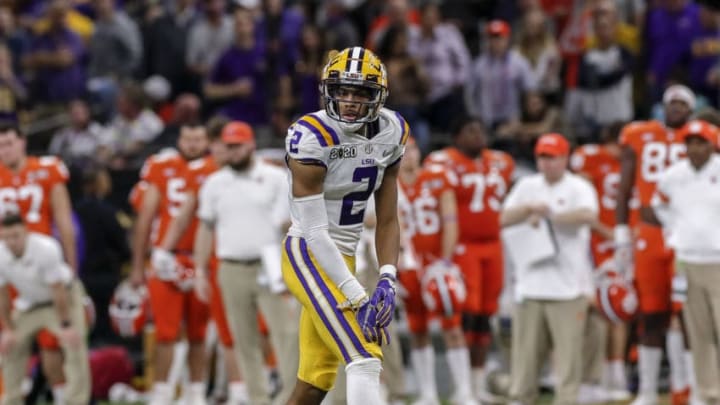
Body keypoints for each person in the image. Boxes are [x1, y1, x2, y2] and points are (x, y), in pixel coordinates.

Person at [282, 46, 404, 405]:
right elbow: (317, 232)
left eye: (361, 92)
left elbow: (388, 218)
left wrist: (387, 276)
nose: (349, 101)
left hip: (346, 255)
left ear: (378, 96)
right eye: (342, 91)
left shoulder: (394, 130)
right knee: (365, 355)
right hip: (308, 251)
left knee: (315, 381)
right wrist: (358, 296)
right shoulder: (311, 135)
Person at [193, 121, 300, 405]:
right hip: (231, 266)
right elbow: (205, 227)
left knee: (286, 334)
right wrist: (200, 271)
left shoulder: (275, 177)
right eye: (227, 146)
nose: (232, 151)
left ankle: (290, 397)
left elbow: (291, 221)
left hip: (271, 264)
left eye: (237, 145)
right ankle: (258, 398)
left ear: (250, 144)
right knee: (243, 338)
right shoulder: (215, 183)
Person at [501, 133, 598, 405]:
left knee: (568, 362)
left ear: (565, 158)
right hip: (530, 285)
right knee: (525, 360)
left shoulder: (578, 187)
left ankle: (567, 400)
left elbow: (588, 216)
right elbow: (504, 217)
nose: (547, 163)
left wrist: (551, 215)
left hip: (568, 289)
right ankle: (521, 398)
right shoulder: (527, 186)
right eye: (542, 157)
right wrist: (529, 209)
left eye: (552, 157)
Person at [615, 84, 695, 405]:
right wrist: (621, 233)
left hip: (685, 234)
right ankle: (647, 391)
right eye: (671, 102)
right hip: (648, 233)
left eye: (682, 103)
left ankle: (683, 387)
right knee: (651, 313)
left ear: (691, 109)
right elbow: (624, 188)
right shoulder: (639, 134)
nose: (675, 108)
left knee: (684, 314)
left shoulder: (702, 138)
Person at [425, 115, 514, 399]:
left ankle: (477, 386)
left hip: (493, 245)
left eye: (480, 130)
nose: (478, 136)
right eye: (470, 131)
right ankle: (462, 388)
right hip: (463, 247)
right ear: (456, 137)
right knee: (468, 315)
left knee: (485, 316)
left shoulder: (500, 161)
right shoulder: (442, 162)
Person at [130, 123, 211, 405]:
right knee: (166, 332)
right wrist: (139, 265)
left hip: (201, 256)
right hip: (168, 256)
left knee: (199, 332)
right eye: (187, 138)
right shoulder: (160, 166)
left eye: (197, 138)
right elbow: (145, 217)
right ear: (179, 139)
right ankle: (161, 393)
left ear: (207, 140)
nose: (191, 144)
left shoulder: (214, 167)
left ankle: (196, 393)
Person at [0, 123, 77, 403]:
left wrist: (72, 267)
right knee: (7, 343)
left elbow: (64, 222)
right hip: (7, 268)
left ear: (22, 142)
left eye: (9, 142)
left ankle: (60, 396)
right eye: (0, 144)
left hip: (43, 266)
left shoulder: (46, 169)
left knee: (52, 343)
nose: (4, 150)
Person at [398, 138, 476, 404]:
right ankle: (427, 393)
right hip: (408, 264)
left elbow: (450, 219)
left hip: (436, 262)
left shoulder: (437, 177)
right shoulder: (387, 183)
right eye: (403, 151)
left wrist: (445, 261)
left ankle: (464, 392)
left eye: (413, 150)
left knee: (452, 324)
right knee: (417, 328)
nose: (409, 156)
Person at [652, 119, 720, 405]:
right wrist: (675, 231)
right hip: (687, 260)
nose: (694, 148)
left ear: (712, 143)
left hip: (718, 261)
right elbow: (658, 203)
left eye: (700, 142)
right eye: (690, 142)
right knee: (698, 332)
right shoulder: (673, 175)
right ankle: (708, 393)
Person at [570, 121, 637, 401]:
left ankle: (616, 371)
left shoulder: (636, 159)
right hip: (596, 243)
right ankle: (591, 376)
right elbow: (580, 202)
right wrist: (607, 231)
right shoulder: (590, 158)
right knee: (598, 308)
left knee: (621, 306)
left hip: (625, 242)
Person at [0, 214, 90, 405]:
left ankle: (76, 401)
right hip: (31, 303)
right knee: (9, 345)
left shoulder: (45, 248)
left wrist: (66, 325)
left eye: (15, 236)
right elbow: (3, 295)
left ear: (26, 232)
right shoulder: (0, 254)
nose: (11, 242)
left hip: (64, 300)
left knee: (74, 343)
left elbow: (57, 290)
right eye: (6, 237)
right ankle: (11, 400)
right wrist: (8, 329)